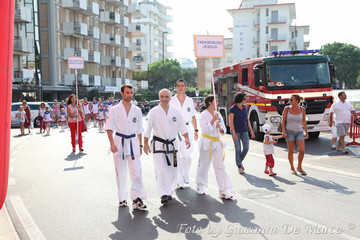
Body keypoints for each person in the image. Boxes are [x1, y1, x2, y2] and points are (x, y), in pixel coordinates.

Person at [144, 89, 190, 205]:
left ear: (170, 98)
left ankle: (169, 191)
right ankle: (163, 194)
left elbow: (182, 126)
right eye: (162, 97)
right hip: (159, 144)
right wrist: (145, 143)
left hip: (173, 144)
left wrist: (187, 138)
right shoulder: (153, 112)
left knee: (173, 169)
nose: (164, 99)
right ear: (159, 97)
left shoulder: (176, 112)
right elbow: (148, 128)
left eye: (166, 97)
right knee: (161, 169)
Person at [105, 84, 147, 210]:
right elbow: (108, 127)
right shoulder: (114, 110)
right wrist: (112, 143)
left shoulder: (137, 110)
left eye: (131, 93)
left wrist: (140, 145)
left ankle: (136, 198)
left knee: (137, 171)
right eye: (127, 93)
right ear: (122, 93)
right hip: (119, 142)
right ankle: (122, 198)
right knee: (120, 173)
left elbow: (140, 129)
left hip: (133, 142)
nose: (130, 95)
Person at [195, 95, 233, 199]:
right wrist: (212, 121)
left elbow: (224, 129)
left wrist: (220, 129)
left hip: (217, 142)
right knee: (203, 165)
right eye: (215, 100)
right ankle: (200, 185)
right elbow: (205, 129)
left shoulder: (218, 114)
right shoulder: (203, 115)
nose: (217, 102)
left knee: (220, 166)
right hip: (206, 142)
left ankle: (223, 190)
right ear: (210, 103)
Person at [169, 79, 198, 189]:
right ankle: (179, 180)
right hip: (175, 130)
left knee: (186, 156)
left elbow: (193, 116)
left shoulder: (190, 100)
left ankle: (185, 174)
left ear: (186, 87)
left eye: (182, 85)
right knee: (176, 155)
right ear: (176, 87)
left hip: (187, 129)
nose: (180, 87)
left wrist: (195, 130)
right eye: (178, 86)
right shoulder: (171, 100)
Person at [281, 94, 309, 175]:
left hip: (299, 131)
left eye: (292, 100)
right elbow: (283, 120)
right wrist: (283, 131)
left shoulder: (302, 109)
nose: (290, 101)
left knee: (302, 150)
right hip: (289, 131)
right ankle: (292, 168)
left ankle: (299, 167)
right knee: (291, 151)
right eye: (290, 99)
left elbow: (304, 121)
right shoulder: (287, 108)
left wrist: (306, 132)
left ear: (297, 101)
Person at [229, 92, 255, 174]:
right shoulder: (232, 109)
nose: (246, 100)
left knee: (246, 148)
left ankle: (239, 162)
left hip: (244, 130)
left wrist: (251, 131)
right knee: (238, 149)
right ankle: (239, 166)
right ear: (240, 99)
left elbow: (247, 120)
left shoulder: (245, 107)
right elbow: (231, 122)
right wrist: (233, 134)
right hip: (236, 131)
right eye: (244, 99)